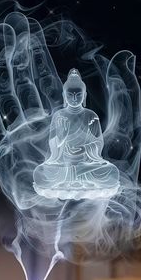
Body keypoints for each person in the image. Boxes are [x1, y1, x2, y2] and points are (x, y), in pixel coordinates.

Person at [33, 68, 120, 200]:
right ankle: (75, 177)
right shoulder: (59, 116)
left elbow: (98, 143)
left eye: (78, 94)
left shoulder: (91, 116)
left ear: (84, 96)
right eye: (70, 95)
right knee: (39, 173)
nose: (74, 98)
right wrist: (61, 138)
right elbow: (53, 149)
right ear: (64, 96)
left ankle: (74, 177)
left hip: (86, 165)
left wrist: (84, 149)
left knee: (111, 171)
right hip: (64, 165)